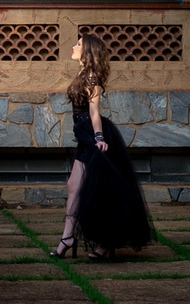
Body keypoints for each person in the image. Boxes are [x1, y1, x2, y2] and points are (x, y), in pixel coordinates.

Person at [50, 34, 151, 260]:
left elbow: (94, 111)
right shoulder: (83, 74)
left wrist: (98, 137)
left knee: (100, 190)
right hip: (84, 136)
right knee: (73, 186)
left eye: (78, 44)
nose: (74, 47)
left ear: (88, 51)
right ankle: (68, 237)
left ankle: (105, 242)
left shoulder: (92, 78)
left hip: (92, 136)